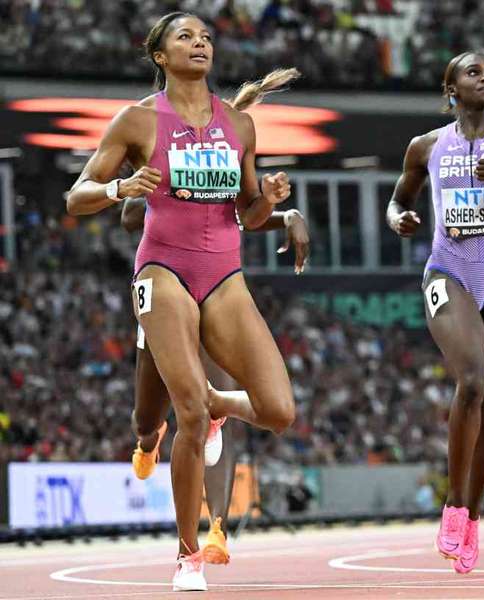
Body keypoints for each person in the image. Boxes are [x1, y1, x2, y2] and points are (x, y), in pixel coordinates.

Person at [66, 11, 305, 591]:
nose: (200, 43)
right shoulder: (138, 121)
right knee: (187, 415)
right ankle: (187, 556)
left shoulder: (239, 125)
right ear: (159, 55)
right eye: (185, 37)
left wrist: (272, 200)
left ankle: (219, 396)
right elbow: (77, 198)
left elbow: (247, 214)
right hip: (164, 269)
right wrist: (121, 187)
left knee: (278, 412)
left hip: (224, 273)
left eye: (205, 37)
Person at [386, 51, 484, 574]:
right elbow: (397, 201)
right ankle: (454, 503)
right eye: (474, 72)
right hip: (447, 271)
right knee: (471, 381)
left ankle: (474, 515)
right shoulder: (426, 146)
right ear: (450, 88)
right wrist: (400, 218)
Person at [123, 196, 309, 564]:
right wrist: (143, 192)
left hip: (214, 300)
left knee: (207, 415)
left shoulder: (217, 179)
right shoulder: (165, 172)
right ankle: (147, 442)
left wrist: (284, 214)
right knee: (147, 417)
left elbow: (248, 214)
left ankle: (217, 527)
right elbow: (129, 216)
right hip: (166, 301)